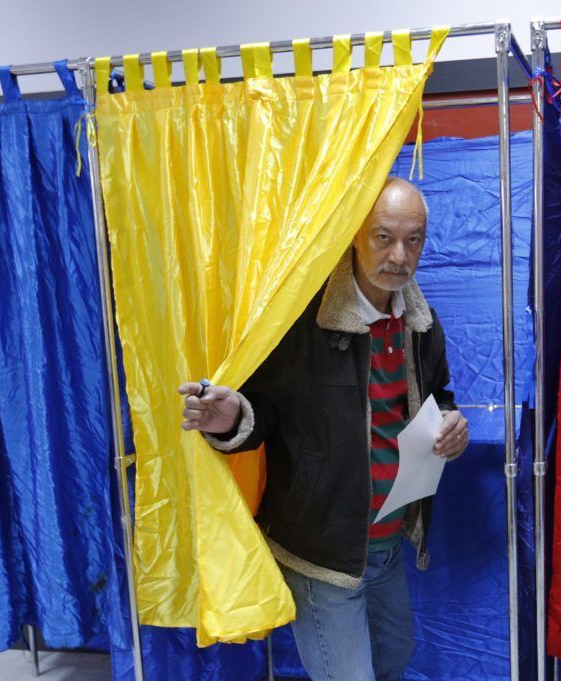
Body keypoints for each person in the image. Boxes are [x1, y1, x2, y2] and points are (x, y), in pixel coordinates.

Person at [179, 177, 468, 681]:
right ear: (355, 233)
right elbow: (263, 410)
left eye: (414, 240)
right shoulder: (301, 321)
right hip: (320, 550)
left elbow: (438, 398)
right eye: (384, 237)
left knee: (394, 660)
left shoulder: (421, 326)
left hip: (385, 545)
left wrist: (450, 425)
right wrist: (231, 418)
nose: (399, 256)